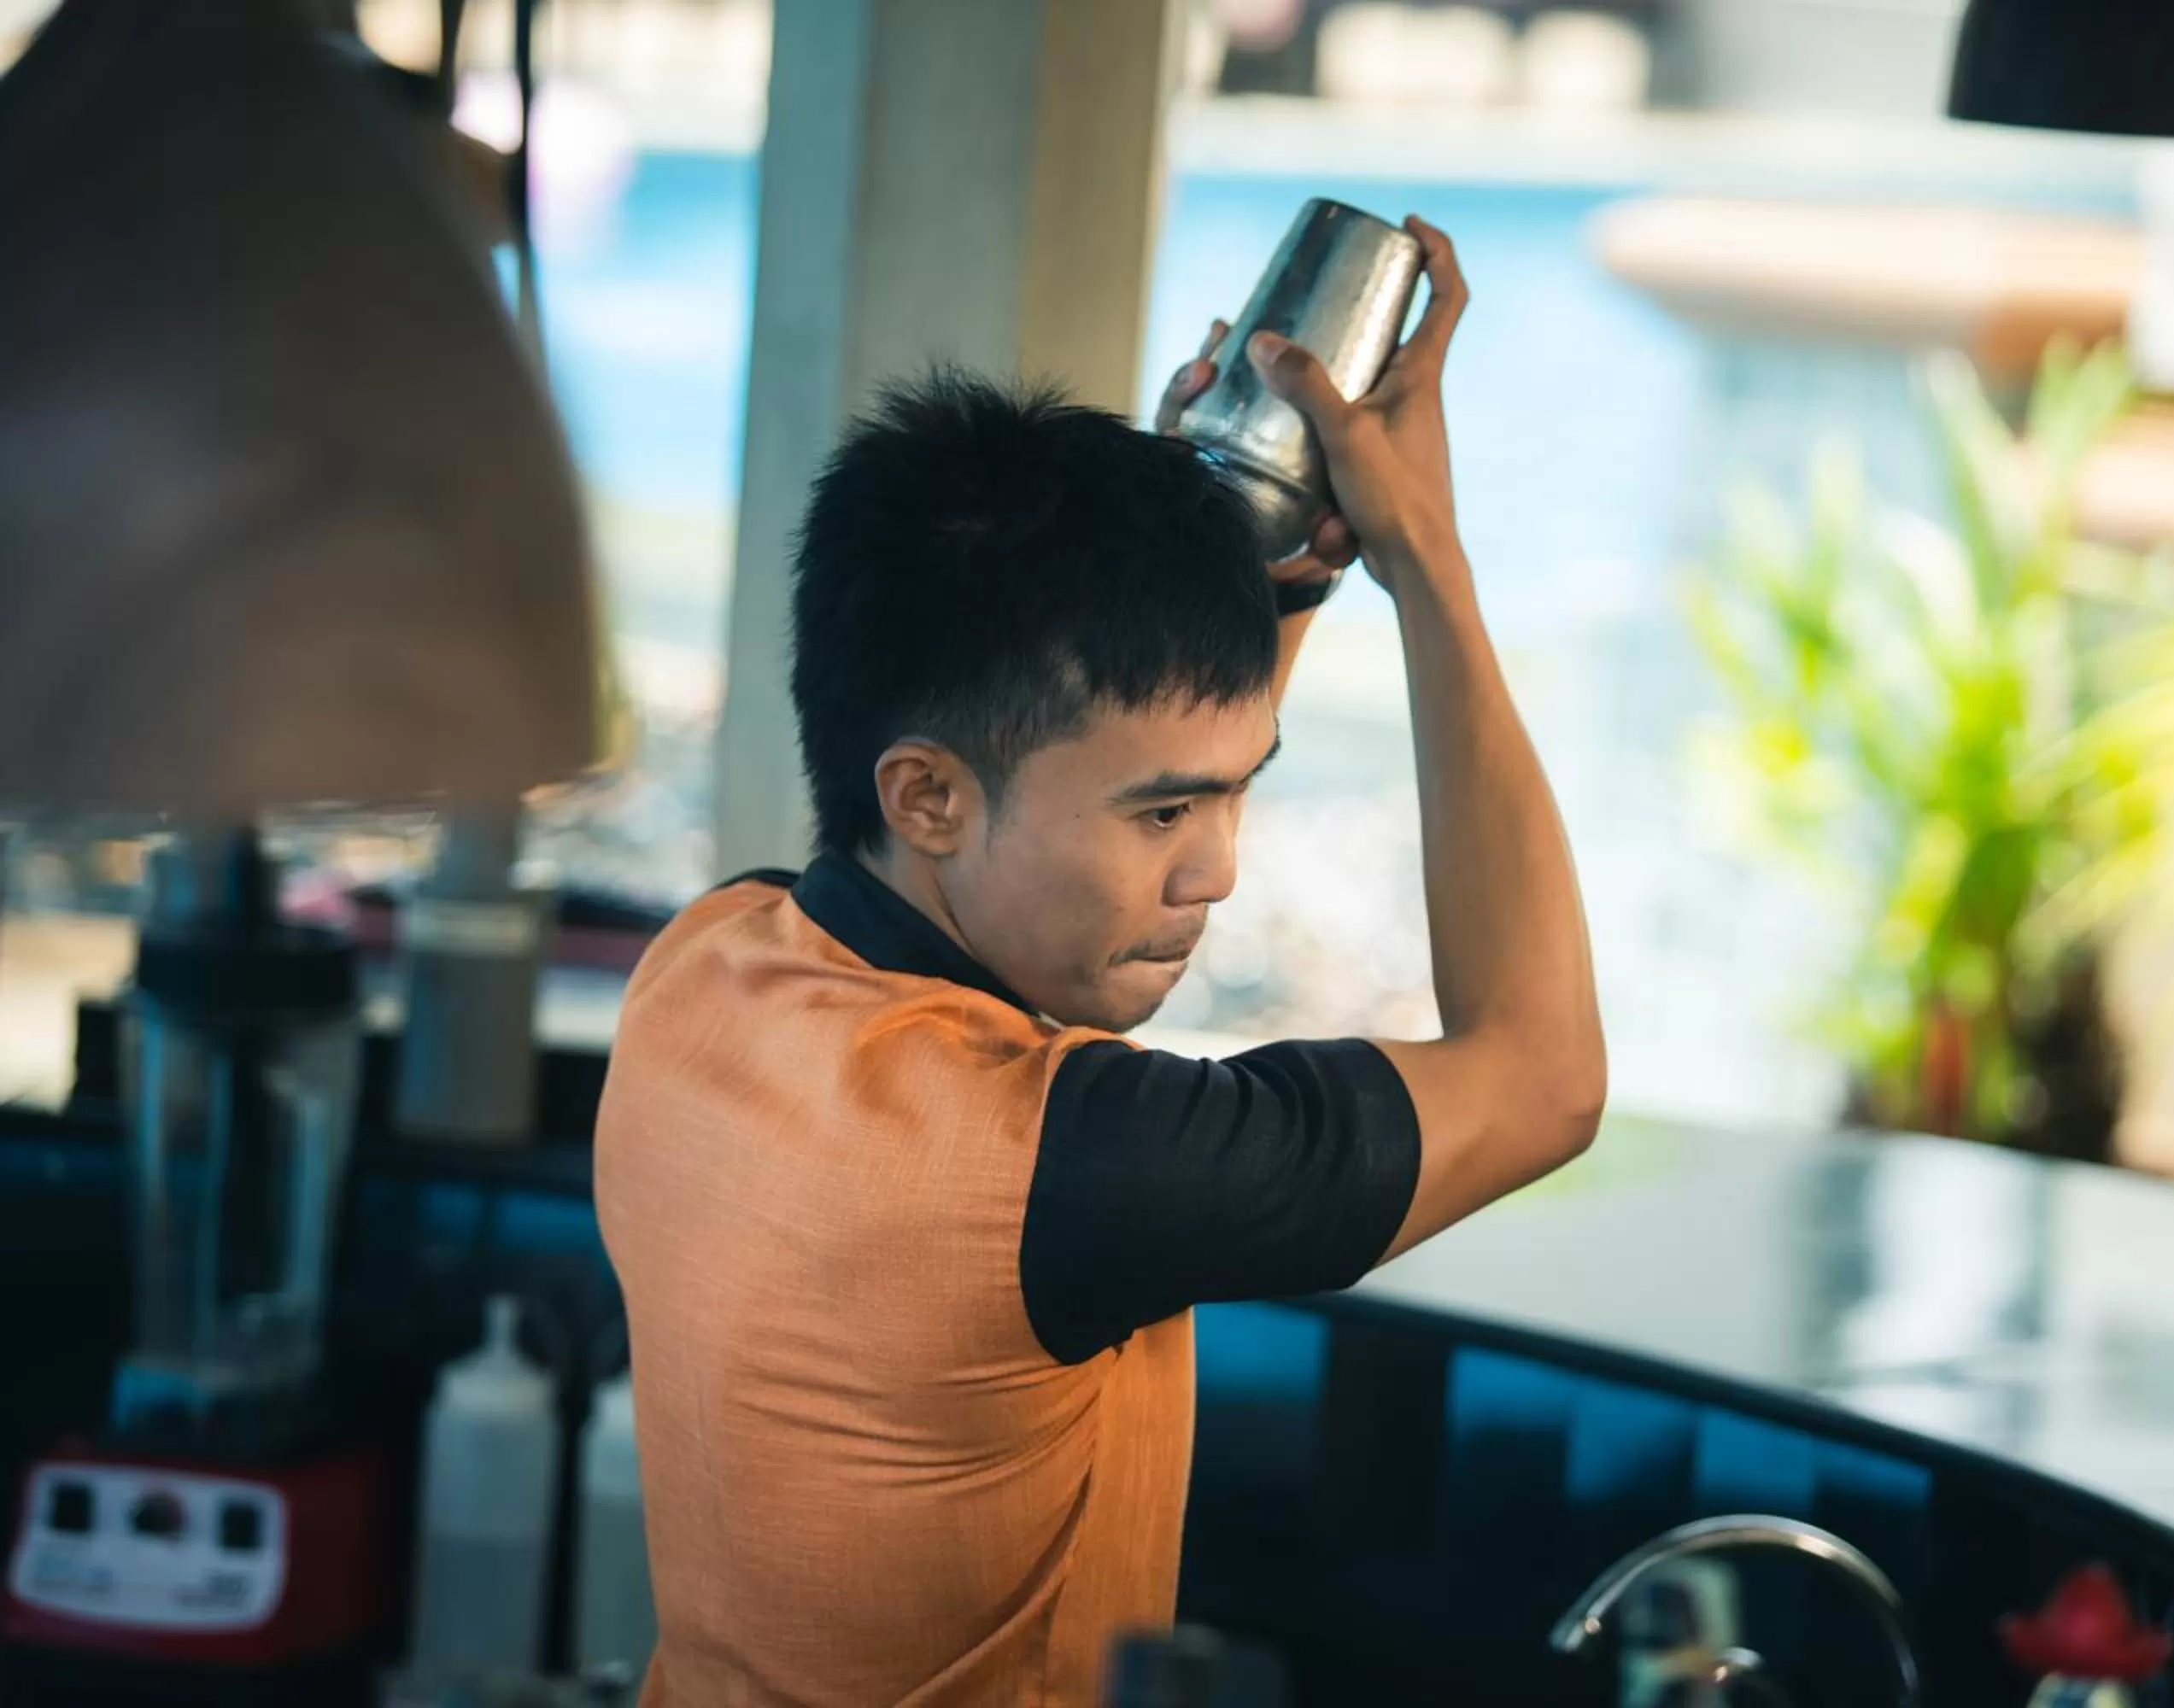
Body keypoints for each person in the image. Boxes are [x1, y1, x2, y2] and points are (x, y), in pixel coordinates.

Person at [595, 219, 1605, 1707]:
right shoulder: (1076, 1167)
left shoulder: (704, 969)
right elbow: (1545, 1077)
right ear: (926, 796)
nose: (1217, 872)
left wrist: (1229, 567)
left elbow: (1091, 807)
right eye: (1165, 816)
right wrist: (1428, 564)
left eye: (1232, 797)